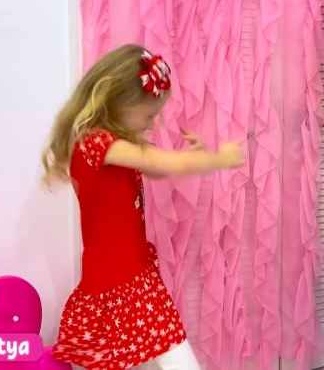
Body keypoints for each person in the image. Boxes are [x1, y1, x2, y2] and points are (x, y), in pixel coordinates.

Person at [41, 44, 245, 369]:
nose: (154, 122)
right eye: (149, 115)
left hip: (130, 275)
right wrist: (219, 158)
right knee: (173, 360)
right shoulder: (97, 144)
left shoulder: (113, 145)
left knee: (160, 357)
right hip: (119, 279)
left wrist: (190, 157)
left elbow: (157, 168)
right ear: (118, 101)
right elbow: (161, 163)